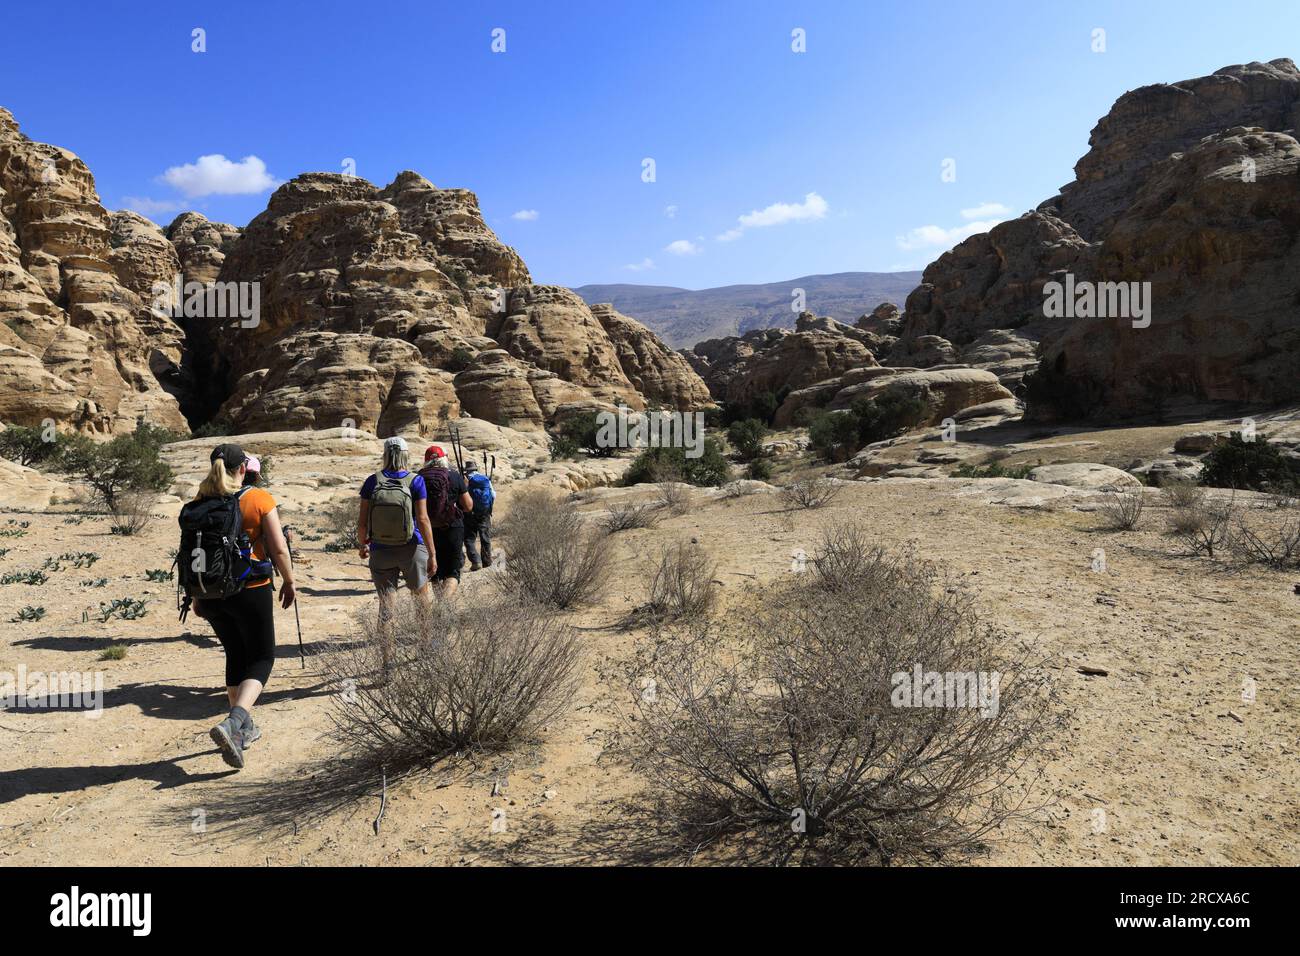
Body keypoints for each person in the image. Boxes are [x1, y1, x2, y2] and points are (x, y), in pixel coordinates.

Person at [187, 444, 296, 770]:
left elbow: (196, 553)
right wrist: (290, 581)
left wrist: (196, 595)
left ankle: (240, 732)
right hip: (251, 589)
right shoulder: (258, 499)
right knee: (262, 658)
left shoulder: (200, 501)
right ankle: (234, 721)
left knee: (235, 654)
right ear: (243, 469)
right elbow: (278, 549)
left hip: (210, 594)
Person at [357, 436, 437, 616]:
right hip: (412, 547)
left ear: (385, 455)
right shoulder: (415, 480)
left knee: (386, 607)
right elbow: (423, 519)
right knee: (421, 600)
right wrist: (432, 554)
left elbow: (362, 522)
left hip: (380, 549)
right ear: (405, 456)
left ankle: (386, 645)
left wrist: (363, 544)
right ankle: (427, 644)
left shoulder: (372, 481)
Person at [419, 444, 474, 597]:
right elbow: (468, 506)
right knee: (453, 572)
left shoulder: (418, 477)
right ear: (444, 458)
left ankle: (440, 606)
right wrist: (464, 487)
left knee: (435, 572)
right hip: (453, 527)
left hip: (428, 529)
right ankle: (444, 606)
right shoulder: (455, 476)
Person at [462, 460, 495, 571]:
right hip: (484, 512)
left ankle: (476, 561)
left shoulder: (464, 480)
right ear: (476, 469)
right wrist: (488, 508)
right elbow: (493, 494)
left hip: (469, 512)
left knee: (469, 538)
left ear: (466, 470)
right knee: (485, 537)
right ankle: (487, 562)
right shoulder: (484, 479)